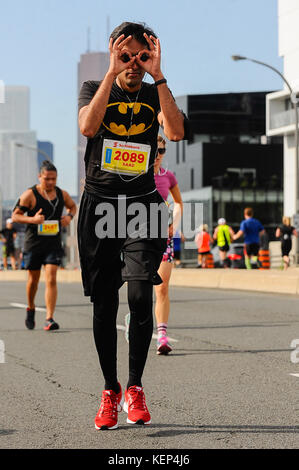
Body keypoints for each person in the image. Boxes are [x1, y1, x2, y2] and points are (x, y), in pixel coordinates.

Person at [78, 21, 186, 430]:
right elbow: (89, 126)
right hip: (100, 206)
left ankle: (136, 386)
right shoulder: (94, 87)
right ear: (113, 55)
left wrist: (157, 75)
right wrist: (111, 72)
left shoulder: (153, 90)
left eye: (141, 56)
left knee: (140, 296)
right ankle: (111, 389)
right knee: (104, 305)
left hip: (143, 207)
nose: (133, 64)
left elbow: (174, 131)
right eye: (126, 56)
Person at [12, 160, 76, 331]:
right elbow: (16, 216)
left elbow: (73, 207)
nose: (51, 182)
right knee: (33, 280)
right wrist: (32, 219)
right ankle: (31, 307)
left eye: (54, 179)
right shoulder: (30, 195)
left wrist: (69, 218)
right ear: (39, 177)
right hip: (33, 243)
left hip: (53, 243)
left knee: (52, 278)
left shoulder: (62, 194)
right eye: (47, 179)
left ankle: (49, 318)